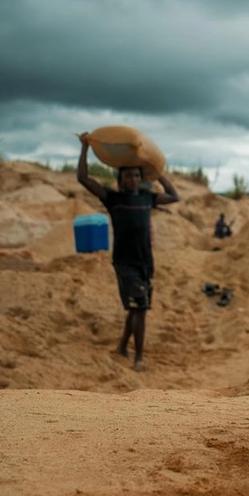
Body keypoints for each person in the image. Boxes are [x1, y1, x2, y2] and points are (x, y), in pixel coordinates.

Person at [76, 135, 179, 372]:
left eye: (136, 175)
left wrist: (156, 172)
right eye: (128, 176)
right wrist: (84, 148)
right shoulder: (113, 199)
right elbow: (83, 178)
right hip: (124, 263)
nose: (132, 179)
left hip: (145, 262)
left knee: (136, 307)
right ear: (121, 180)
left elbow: (174, 196)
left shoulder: (147, 198)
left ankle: (122, 346)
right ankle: (138, 358)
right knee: (140, 308)